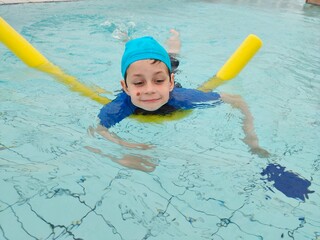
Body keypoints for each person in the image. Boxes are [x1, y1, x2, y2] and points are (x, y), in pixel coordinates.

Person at [89, 29, 269, 162]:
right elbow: (98, 129)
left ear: (171, 83)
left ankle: (174, 37)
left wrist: (251, 139)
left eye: (159, 81)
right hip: (149, 74)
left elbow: (236, 100)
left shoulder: (183, 97)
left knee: (173, 57)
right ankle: (127, 40)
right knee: (147, 61)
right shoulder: (120, 105)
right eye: (138, 83)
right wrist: (127, 146)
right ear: (125, 87)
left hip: (169, 71)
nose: (149, 89)